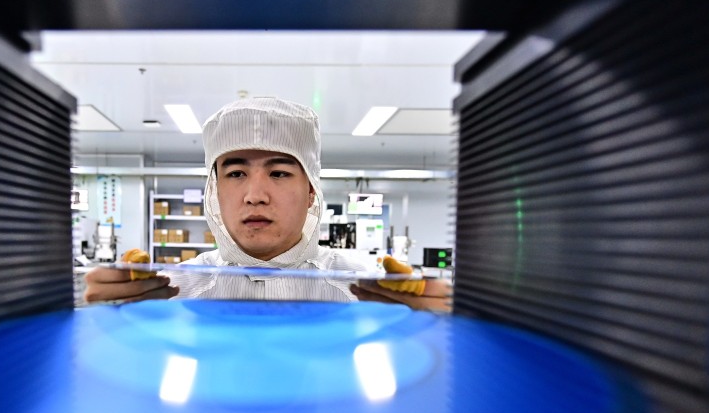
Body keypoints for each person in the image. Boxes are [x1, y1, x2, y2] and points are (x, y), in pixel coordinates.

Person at [83, 97, 450, 310]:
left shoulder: (368, 291)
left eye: (279, 173)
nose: (255, 195)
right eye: (236, 173)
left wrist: (444, 320)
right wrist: (100, 319)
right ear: (214, 190)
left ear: (311, 191)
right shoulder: (170, 291)